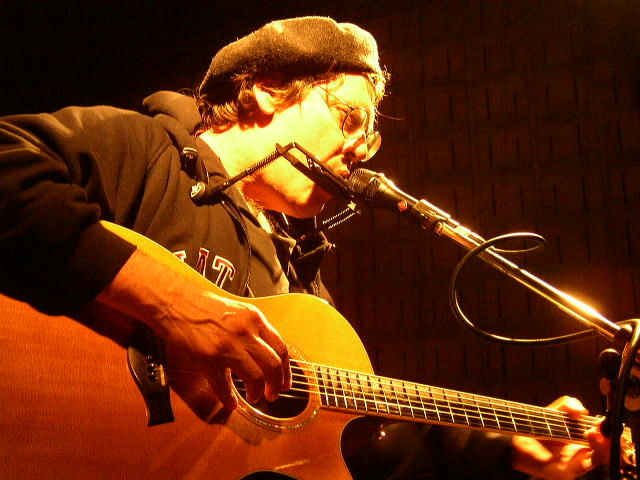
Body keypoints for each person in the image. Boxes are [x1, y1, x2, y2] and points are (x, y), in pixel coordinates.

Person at [0, 16, 609, 479]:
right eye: (349, 118)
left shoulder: (298, 273)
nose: (359, 150)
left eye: (370, 141)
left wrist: (510, 448)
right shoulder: (142, 150)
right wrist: (175, 303)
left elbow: (360, 438)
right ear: (268, 89)